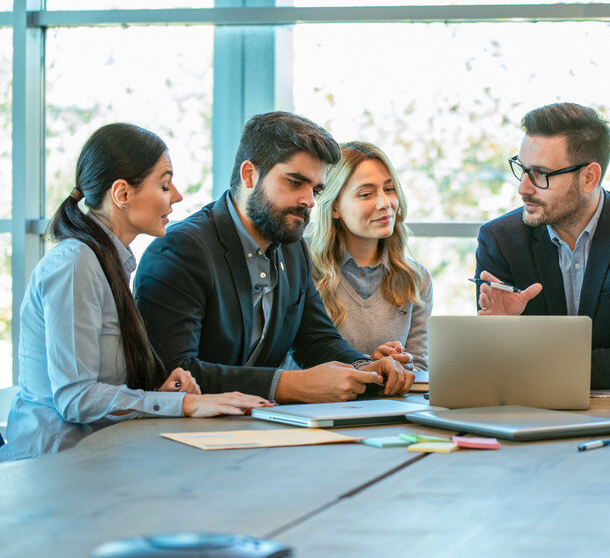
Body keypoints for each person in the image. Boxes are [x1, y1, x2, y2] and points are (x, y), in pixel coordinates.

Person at [0, 124, 271, 462]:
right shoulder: (74, 263)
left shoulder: (106, 262)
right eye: (165, 184)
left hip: (98, 460)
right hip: (54, 466)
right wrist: (179, 404)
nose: (177, 196)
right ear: (122, 194)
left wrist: (161, 394)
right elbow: (75, 398)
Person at [134, 112, 413, 403]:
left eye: (316, 189)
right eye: (295, 183)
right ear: (249, 174)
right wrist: (290, 385)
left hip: (258, 427)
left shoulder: (292, 247)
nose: (309, 201)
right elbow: (173, 372)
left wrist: (365, 367)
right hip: (187, 435)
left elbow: (316, 341)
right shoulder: (181, 249)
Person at [475, 102, 610, 389]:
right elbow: (492, 360)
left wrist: (523, 355)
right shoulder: (499, 239)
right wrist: (497, 333)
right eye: (522, 169)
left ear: (589, 178)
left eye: (540, 174)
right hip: (527, 407)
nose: (523, 187)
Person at [307, 141, 432, 370]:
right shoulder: (304, 269)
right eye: (366, 194)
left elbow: (421, 368)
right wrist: (368, 365)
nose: (385, 203)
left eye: (389, 189)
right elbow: (290, 364)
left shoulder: (416, 278)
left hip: (390, 404)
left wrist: (403, 364)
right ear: (334, 207)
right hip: (319, 404)